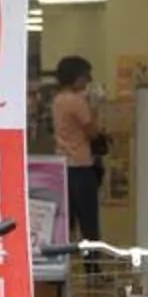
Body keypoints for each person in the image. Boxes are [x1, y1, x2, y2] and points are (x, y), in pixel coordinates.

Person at [52, 57, 106, 242]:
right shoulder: (76, 102)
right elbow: (93, 131)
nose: (88, 81)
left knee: (67, 222)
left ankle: (66, 263)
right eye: (86, 76)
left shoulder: (58, 100)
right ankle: (93, 267)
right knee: (89, 223)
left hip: (62, 167)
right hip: (81, 168)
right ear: (76, 78)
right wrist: (96, 106)